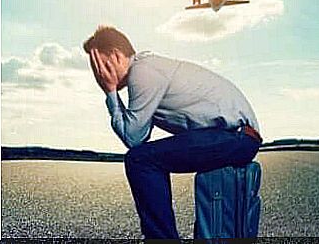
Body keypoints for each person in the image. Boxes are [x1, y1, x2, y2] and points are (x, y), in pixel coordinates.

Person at [83, 25, 262, 239]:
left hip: (236, 137)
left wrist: (110, 91)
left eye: (98, 65)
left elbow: (132, 138)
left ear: (115, 56)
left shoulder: (143, 72)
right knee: (142, 158)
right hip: (234, 137)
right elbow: (139, 135)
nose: (98, 74)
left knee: (140, 160)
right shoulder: (146, 70)